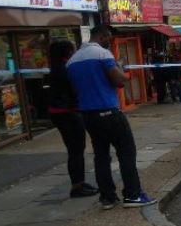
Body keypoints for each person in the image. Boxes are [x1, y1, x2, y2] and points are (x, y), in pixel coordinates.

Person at [66, 25, 156, 209]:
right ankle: (133, 195)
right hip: (108, 112)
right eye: (109, 39)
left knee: (101, 156)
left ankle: (107, 198)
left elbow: (75, 89)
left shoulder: (72, 61)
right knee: (126, 153)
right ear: (103, 36)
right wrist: (125, 74)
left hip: (88, 116)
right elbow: (118, 80)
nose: (110, 42)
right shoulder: (102, 55)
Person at [45, 39, 98, 199]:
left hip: (62, 112)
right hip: (67, 113)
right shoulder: (65, 70)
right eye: (72, 49)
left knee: (76, 150)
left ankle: (79, 182)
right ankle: (77, 187)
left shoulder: (57, 68)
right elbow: (74, 89)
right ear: (67, 52)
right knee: (76, 150)